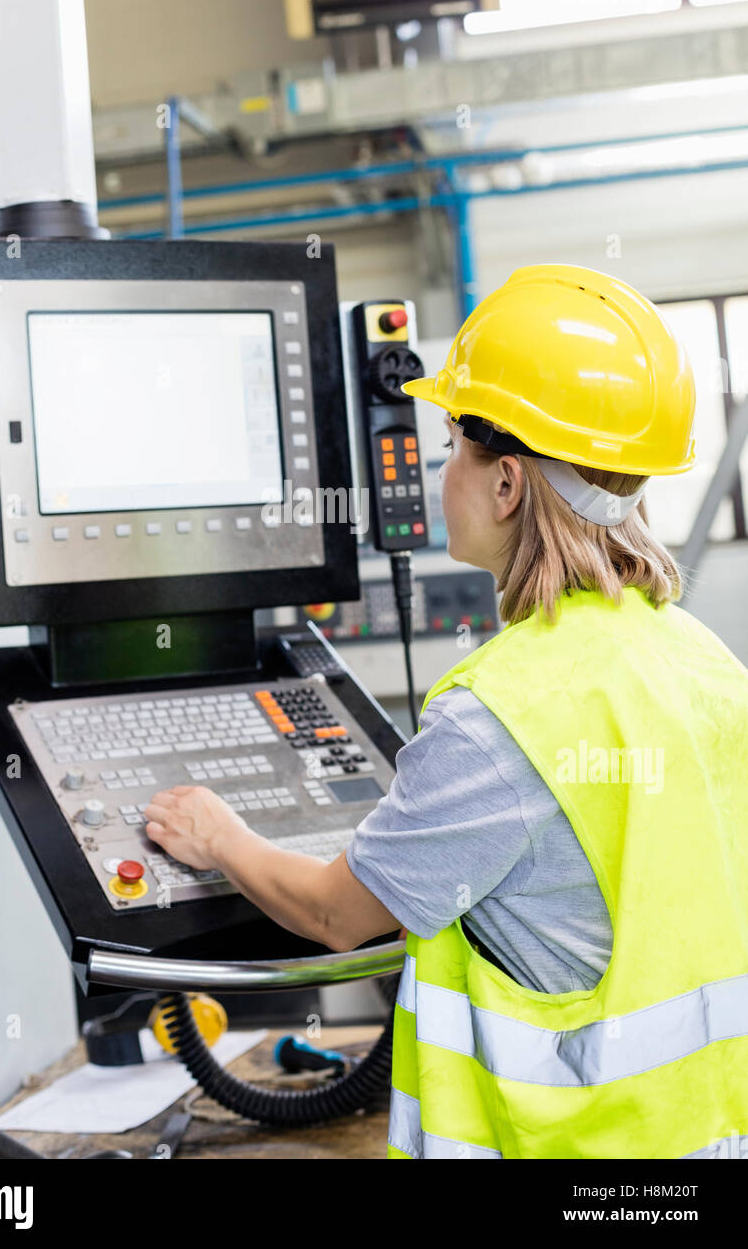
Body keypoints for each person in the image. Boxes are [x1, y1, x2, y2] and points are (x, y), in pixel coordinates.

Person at [145, 264, 748, 1160]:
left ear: (507, 484)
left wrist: (218, 836)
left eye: (451, 445)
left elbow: (337, 916)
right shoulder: (703, 657)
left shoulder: (500, 713)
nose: (437, 471)